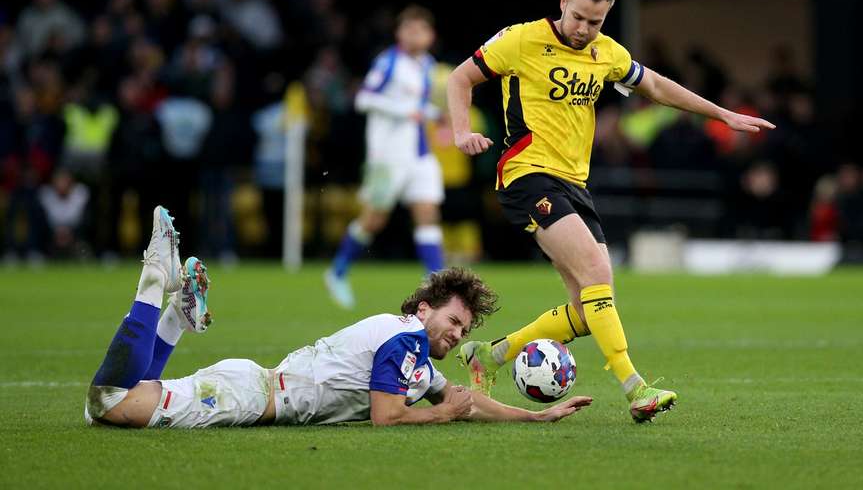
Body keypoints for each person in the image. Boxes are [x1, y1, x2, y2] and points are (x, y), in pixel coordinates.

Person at [446, 0, 775, 423]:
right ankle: (635, 387)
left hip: (575, 184)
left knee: (588, 309)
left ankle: (492, 355)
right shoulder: (520, 40)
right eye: (578, 17)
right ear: (563, 2)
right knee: (598, 269)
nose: (583, 29)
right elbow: (459, 78)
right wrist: (462, 132)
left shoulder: (607, 53)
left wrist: (722, 115)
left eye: (595, 21)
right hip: (527, 176)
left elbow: (657, 86)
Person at [85, 206, 591, 428]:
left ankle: (176, 315)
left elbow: (468, 400)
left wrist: (535, 415)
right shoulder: (405, 339)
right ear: (422, 309)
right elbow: (386, 416)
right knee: (109, 405)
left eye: (463, 330)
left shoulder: (413, 351)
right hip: (247, 398)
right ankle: (154, 286)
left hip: (253, 387)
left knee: (118, 404)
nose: (457, 335)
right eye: (453, 322)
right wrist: (442, 413)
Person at [324, 6, 446, 309]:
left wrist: (435, 115)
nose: (413, 34)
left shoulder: (428, 65)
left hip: (419, 154)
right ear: (398, 33)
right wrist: (408, 111)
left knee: (427, 214)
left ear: (430, 36)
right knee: (374, 219)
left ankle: (437, 286)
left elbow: (417, 105)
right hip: (387, 157)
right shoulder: (388, 62)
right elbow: (364, 99)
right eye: (408, 29)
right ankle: (337, 271)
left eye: (419, 30)